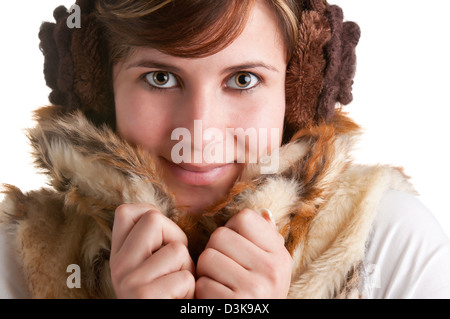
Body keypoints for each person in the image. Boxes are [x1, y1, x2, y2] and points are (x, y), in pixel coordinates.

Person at [1, 0, 450, 299]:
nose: (200, 131)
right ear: (100, 91)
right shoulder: (20, 256)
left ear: (299, 94)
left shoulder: (388, 244)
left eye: (243, 80)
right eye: (160, 77)